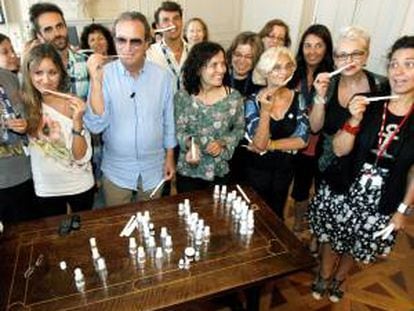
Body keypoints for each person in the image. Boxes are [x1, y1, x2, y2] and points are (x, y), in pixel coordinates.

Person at [309, 35, 414, 303]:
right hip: (345, 183)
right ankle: (323, 274)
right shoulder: (368, 101)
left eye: (409, 64)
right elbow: (341, 149)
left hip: (383, 195)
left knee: (356, 243)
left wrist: (402, 210)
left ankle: (341, 278)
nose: (398, 72)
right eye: (393, 64)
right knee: (333, 236)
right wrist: (354, 120)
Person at [84, 11, 176, 206]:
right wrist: (96, 82)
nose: (127, 48)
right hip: (117, 170)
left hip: (155, 168)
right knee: (118, 227)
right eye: (121, 40)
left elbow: (169, 121)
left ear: (147, 43)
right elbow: (95, 126)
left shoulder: (163, 77)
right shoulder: (103, 75)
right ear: (114, 40)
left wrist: (169, 157)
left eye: (135, 41)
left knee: (150, 223)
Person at [22, 43, 94, 217]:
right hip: (46, 189)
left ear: (61, 74)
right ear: (29, 75)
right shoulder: (25, 104)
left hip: (79, 185)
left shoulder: (73, 104)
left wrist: (77, 121)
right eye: (38, 73)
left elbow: (81, 157)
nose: (46, 80)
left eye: (52, 72)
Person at [245, 46, 309, 219]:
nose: (284, 72)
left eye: (288, 66)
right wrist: (265, 111)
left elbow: (303, 139)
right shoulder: (252, 101)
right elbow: (258, 144)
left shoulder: (298, 98)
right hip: (256, 171)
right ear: (266, 71)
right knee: (253, 215)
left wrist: (271, 145)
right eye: (277, 67)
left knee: (276, 216)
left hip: (284, 171)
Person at [174, 41, 244, 193]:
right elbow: (179, 130)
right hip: (188, 170)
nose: (221, 70)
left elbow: (239, 129)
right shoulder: (182, 96)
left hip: (218, 171)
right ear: (199, 68)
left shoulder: (234, 98)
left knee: (216, 215)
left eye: (223, 64)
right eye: (214, 65)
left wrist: (223, 142)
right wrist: (190, 145)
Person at [288, 24, 334, 232]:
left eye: (318, 46)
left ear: (326, 48)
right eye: (307, 45)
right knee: (298, 188)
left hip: (318, 143)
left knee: (316, 186)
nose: (312, 51)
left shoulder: (332, 77)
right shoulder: (293, 72)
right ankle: (297, 223)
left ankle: (314, 227)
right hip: (293, 138)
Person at [28, 2, 89, 100]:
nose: (57, 33)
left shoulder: (85, 62)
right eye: (48, 30)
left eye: (59, 26)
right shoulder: (34, 71)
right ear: (39, 36)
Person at [0, 68, 36, 223]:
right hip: (2, 181)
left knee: (33, 229)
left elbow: (27, 113)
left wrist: (25, 124)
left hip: (25, 171)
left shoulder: (10, 77)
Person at [146, 1, 188, 90]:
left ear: (182, 21)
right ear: (157, 27)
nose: (172, 24)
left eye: (176, 18)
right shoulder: (149, 54)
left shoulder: (194, 51)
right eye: (166, 20)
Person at [226, 31, 263, 97]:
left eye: (248, 57)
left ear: (256, 59)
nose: (242, 61)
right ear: (231, 54)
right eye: (238, 55)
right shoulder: (220, 79)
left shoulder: (260, 84)